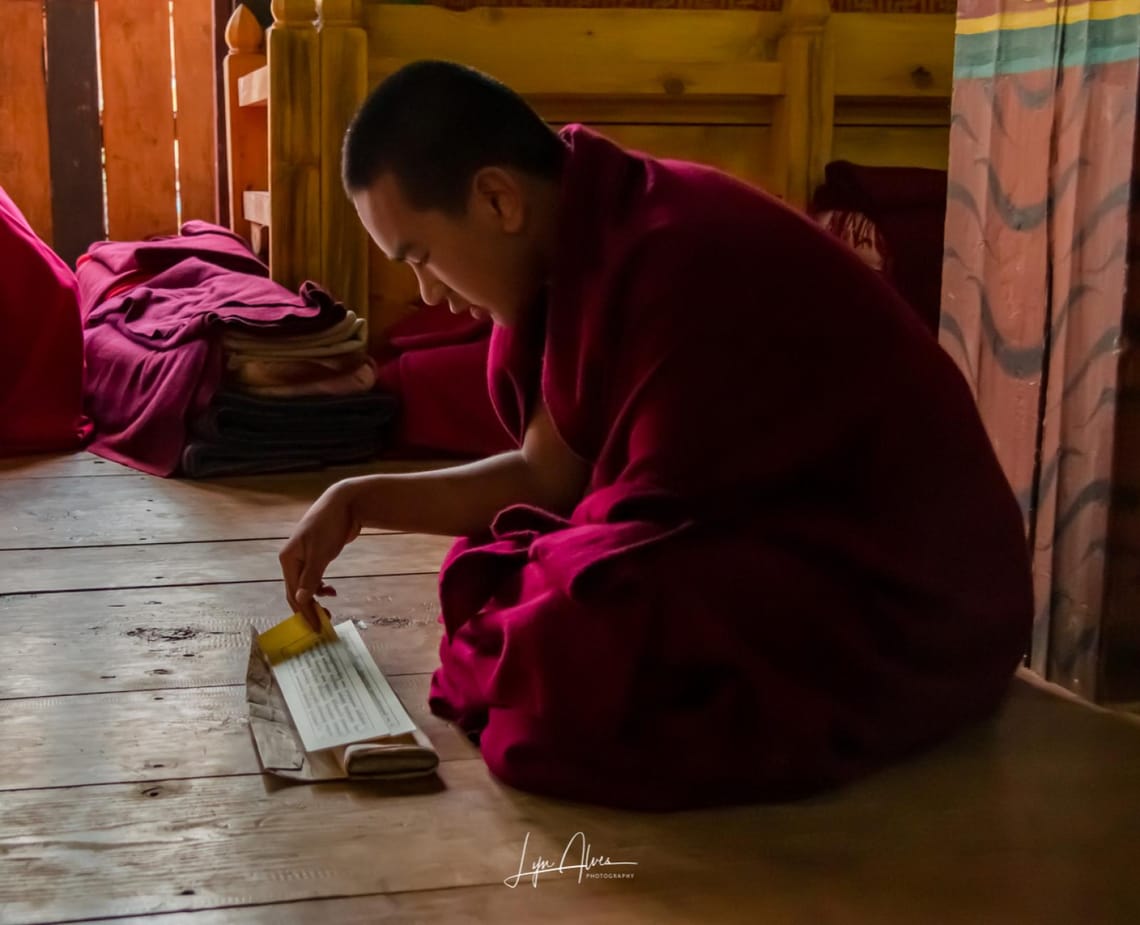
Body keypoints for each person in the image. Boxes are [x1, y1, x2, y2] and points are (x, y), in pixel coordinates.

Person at [279, 60, 1033, 810]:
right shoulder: (584, 223)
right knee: (505, 581)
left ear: (497, 198)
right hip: (791, 529)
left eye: (420, 256)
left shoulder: (680, 248)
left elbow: (642, 525)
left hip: (915, 594)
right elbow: (551, 477)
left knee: (567, 641)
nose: (428, 293)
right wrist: (358, 498)